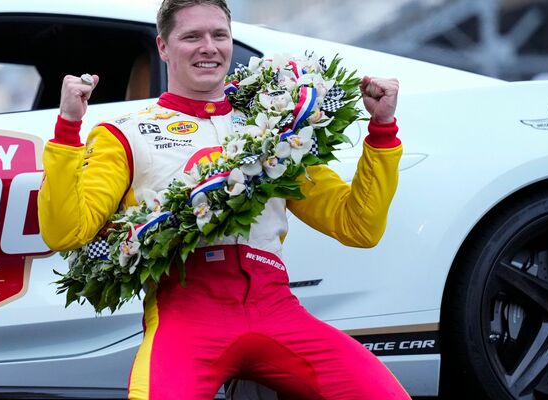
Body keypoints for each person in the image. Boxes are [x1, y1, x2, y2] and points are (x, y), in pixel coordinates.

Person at [37, 0, 409, 398]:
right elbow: (65, 231)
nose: (208, 47)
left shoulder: (278, 128)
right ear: (163, 47)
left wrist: (382, 131)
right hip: (186, 315)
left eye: (219, 35)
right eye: (191, 36)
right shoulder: (126, 133)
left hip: (276, 308)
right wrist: (67, 129)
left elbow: (359, 226)